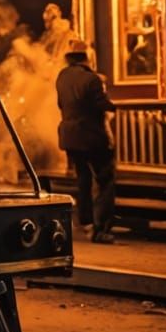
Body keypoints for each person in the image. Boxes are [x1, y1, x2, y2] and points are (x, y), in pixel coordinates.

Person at [54, 36, 118, 243]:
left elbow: (60, 105)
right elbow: (102, 104)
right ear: (86, 58)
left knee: (83, 179)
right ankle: (101, 229)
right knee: (105, 180)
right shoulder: (92, 79)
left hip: (70, 136)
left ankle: (85, 221)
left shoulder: (62, 77)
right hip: (92, 137)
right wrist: (114, 106)